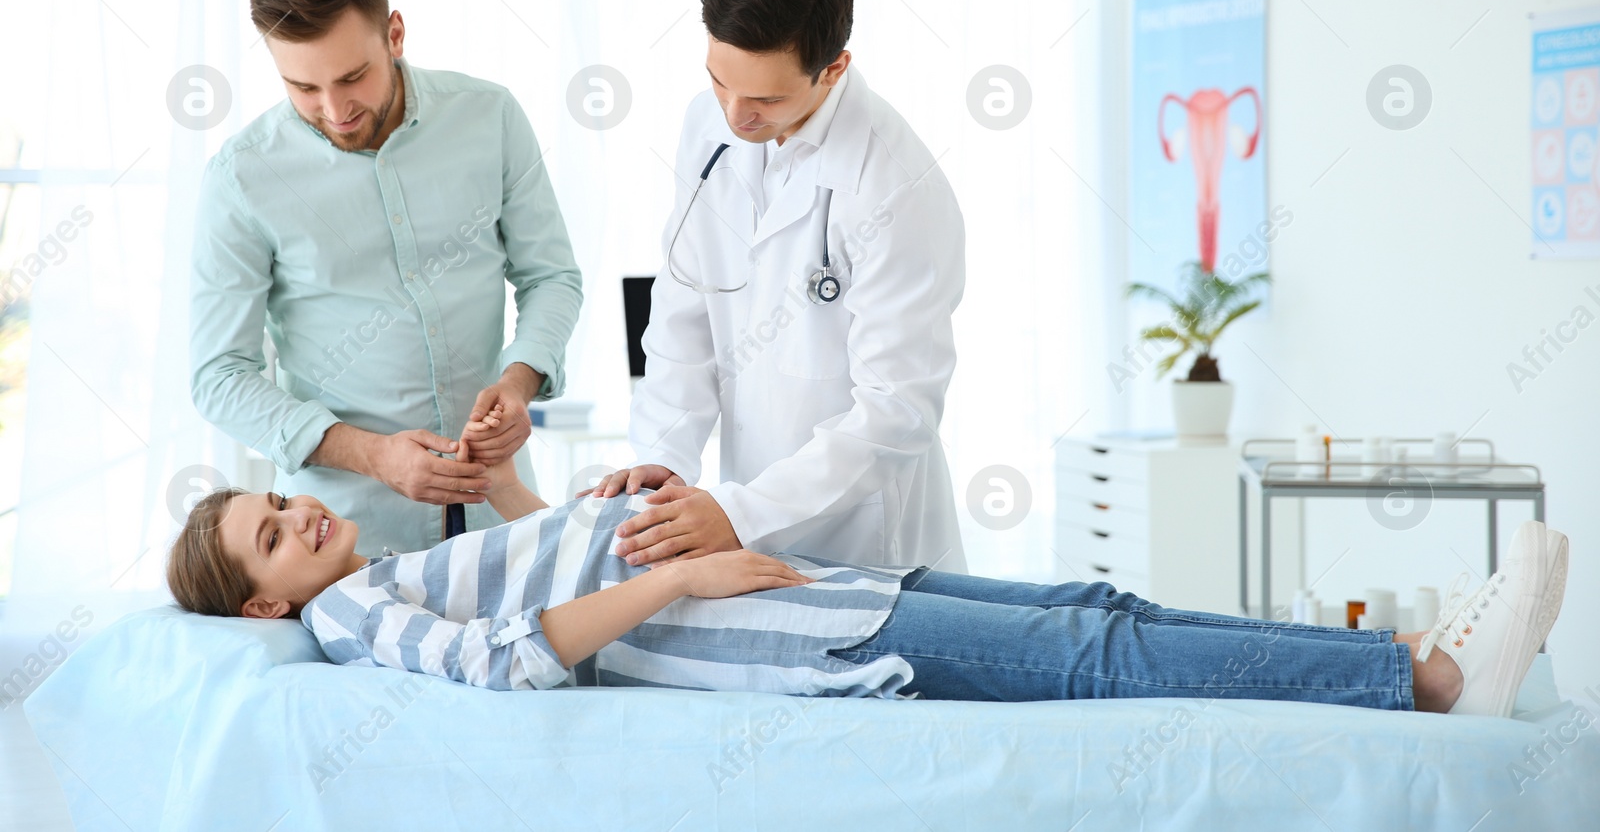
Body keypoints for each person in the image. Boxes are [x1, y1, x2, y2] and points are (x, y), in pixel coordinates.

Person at [165, 408, 1567, 717]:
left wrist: (579, 495)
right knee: (1099, 653)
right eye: (268, 536)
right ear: (267, 599)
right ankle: (1431, 675)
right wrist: (674, 576)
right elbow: (513, 655)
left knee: (1096, 606)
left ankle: (1408, 651)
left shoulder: (377, 569)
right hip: (768, 627)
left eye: (280, 502)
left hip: (788, 579)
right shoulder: (354, 621)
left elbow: (530, 580)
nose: (299, 513)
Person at [189, 0, 582, 557]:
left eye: (352, 77)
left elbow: (551, 276)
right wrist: (372, 455)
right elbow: (219, 376)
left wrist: (519, 380)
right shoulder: (242, 177)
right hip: (342, 539)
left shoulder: (490, 116)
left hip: (500, 515)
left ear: (394, 34)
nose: (335, 110)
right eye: (303, 87)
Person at [591, 0, 967, 574]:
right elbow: (686, 307)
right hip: (741, 523)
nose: (736, 116)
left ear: (834, 68)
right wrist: (665, 454)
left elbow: (897, 410)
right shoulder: (706, 129)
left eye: (765, 100)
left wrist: (743, 512)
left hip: (866, 540)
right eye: (718, 82)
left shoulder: (897, 185)